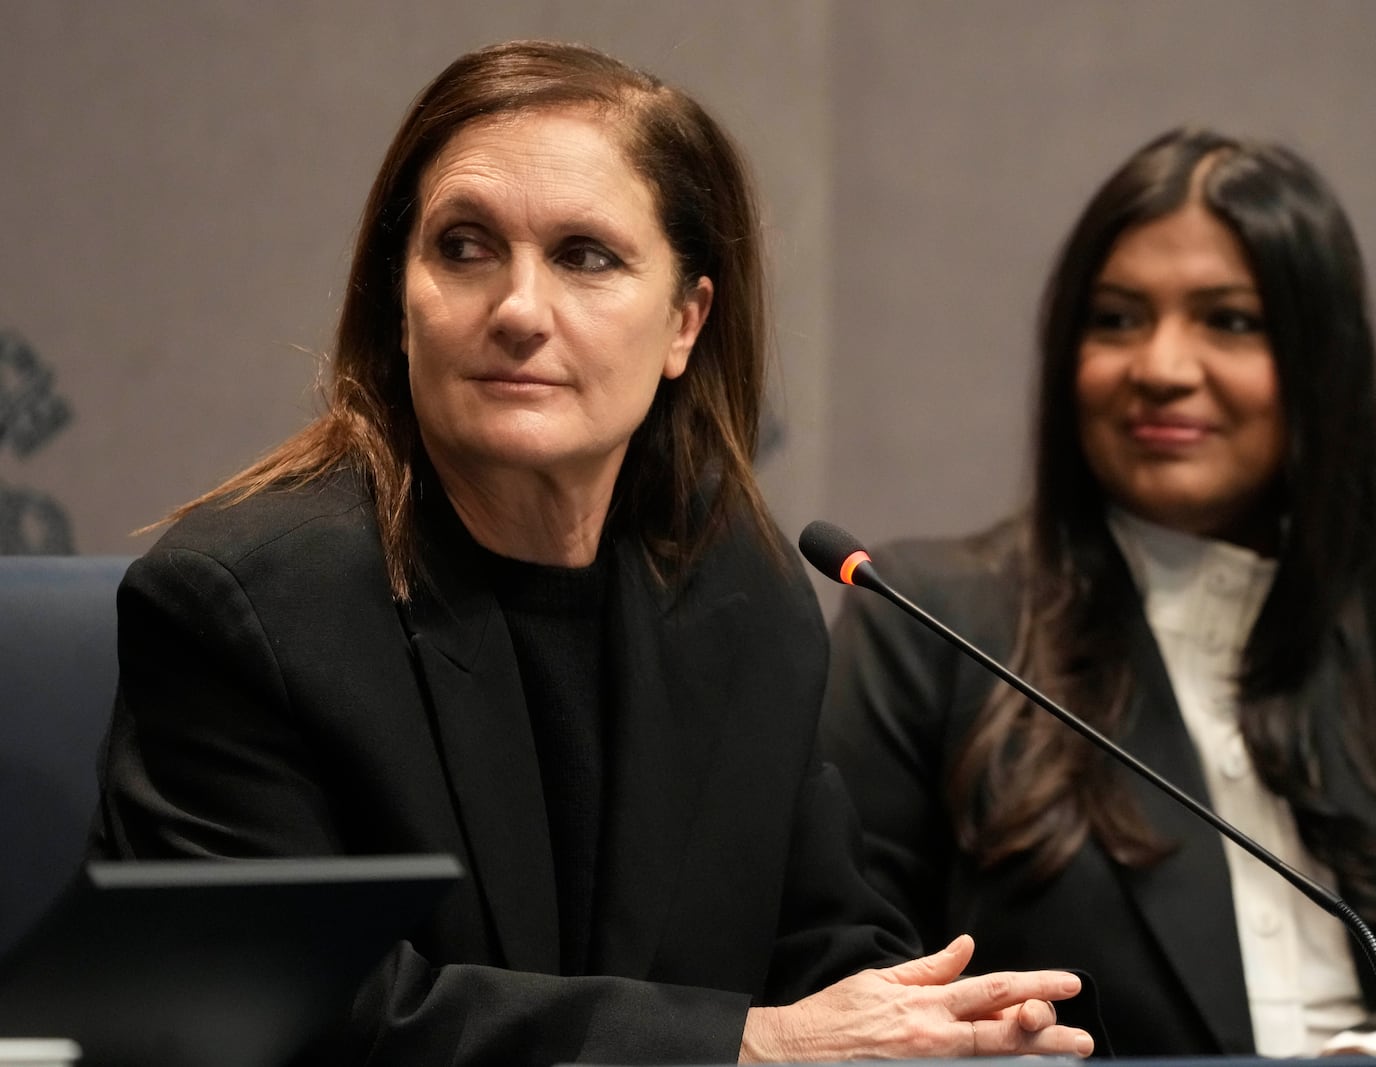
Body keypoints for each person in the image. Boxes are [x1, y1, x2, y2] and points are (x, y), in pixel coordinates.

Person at [93, 40, 1098, 1066]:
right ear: (402, 297)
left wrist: (930, 1031)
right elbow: (282, 1017)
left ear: (684, 322)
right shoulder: (247, 603)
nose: (519, 309)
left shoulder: (734, 586)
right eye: (464, 247)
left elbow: (816, 941)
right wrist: (748, 1048)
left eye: (584, 256)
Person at [819, 127, 1376, 1059]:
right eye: (1114, 319)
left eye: (1229, 320)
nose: (1160, 367)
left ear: (1324, 364)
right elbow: (850, 980)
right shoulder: (934, 620)